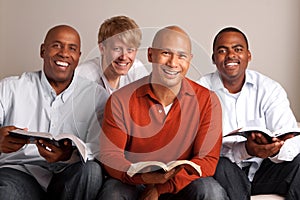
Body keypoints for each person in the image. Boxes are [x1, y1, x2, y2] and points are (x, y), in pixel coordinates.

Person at [98, 25, 228, 200]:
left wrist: (160, 189)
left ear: (189, 60)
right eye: (165, 53)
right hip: (135, 181)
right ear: (151, 55)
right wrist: (142, 177)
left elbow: (207, 161)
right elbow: (110, 156)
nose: (173, 63)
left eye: (181, 56)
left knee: (211, 191)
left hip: (182, 182)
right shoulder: (120, 100)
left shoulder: (207, 101)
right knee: (113, 192)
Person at [0, 25, 109, 200]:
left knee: (91, 171)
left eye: (72, 48)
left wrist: (68, 155)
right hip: (20, 173)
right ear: (43, 51)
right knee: (6, 193)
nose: (64, 53)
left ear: (78, 57)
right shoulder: (10, 88)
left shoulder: (97, 96)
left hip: (69, 175)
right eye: (56, 45)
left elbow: (99, 148)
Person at [197, 27, 300, 199]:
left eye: (238, 49)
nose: (231, 55)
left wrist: (273, 150)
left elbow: (292, 138)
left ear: (248, 55)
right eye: (222, 51)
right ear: (214, 58)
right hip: (224, 171)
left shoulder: (269, 88)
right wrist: (245, 149)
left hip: (263, 170)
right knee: (220, 163)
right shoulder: (199, 91)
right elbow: (201, 150)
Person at [76, 15, 149, 94]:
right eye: (117, 49)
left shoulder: (137, 69)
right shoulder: (83, 75)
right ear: (102, 48)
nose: (124, 57)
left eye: (130, 50)